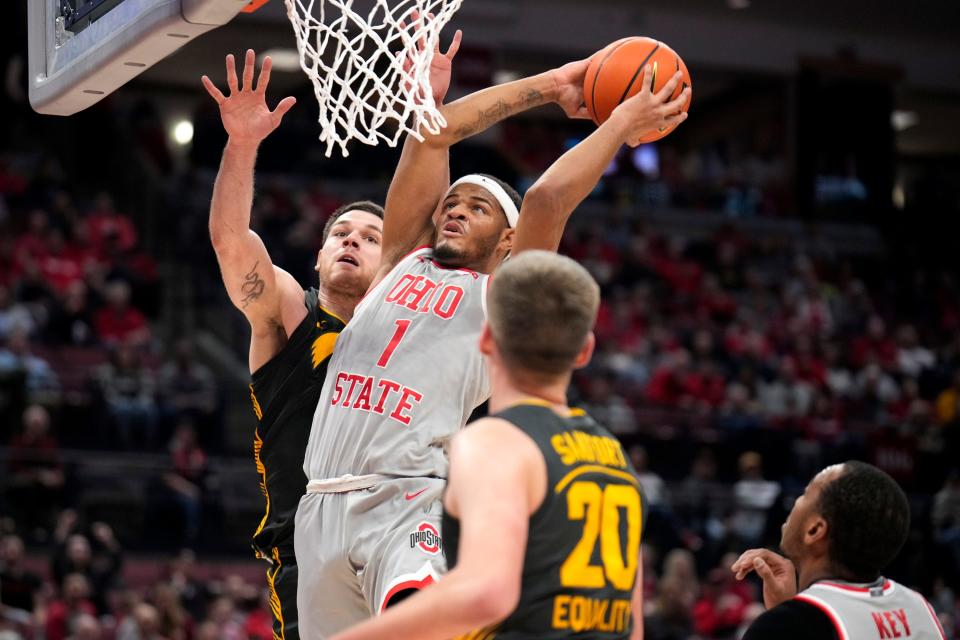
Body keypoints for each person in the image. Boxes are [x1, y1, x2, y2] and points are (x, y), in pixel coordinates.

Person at [294, 28, 689, 636]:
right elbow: (434, 131)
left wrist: (618, 123)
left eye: (476, 207)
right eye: (452, 201)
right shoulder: (399, 257)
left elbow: (547, 201)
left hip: (408, 501)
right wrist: (554, 84)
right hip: (318, 501)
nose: (454, 209)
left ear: (507, 241)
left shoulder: (503, 295)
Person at [201, 42, 457, 638]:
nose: (351, 241)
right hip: (304, 543)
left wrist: (429, 110)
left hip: (398, 527)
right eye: (340, 232)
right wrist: (242, 145)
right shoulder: (291, 317)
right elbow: (232, 242)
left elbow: (424, 222)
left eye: (370, 236)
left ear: (394, 259)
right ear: (316, 257)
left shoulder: (410, 328)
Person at [331, 252, 646, 639]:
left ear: (485, 339)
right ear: (585, 351)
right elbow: (633, 626)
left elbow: (488, 594)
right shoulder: (616, 457)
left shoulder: (495, 442)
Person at [731, 461, 947, 639]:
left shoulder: (786, 627)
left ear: (815, 530)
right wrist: (790, 607)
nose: (796, 500)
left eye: (806, 495)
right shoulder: (918, 607)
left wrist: (786, 617)